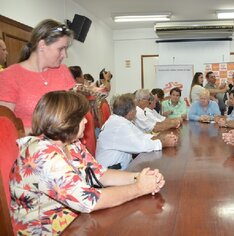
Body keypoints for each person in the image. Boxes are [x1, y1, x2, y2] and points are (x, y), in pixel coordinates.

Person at [10, 91, 165, 235]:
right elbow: (90, 201)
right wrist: (139, 188)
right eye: (80, 118)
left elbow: (99, 173)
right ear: (64, 121)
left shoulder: (70, 142)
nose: (85, 121)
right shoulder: (43, 156)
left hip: (76, 220)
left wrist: (139, 177)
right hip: (50, 231)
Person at [0, 19, 75, 134]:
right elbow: (6, 128)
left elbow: (73, 112)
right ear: (42, 45)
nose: (65, 55)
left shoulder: (63, 71)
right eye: (61, 49)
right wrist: (50, 132)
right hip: (31, 145)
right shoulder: (9, 76)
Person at [96, 93, 178, 169]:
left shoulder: (121, 121)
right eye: (135, 108)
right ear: (130, 112)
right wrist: (164, 143)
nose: (136, 111)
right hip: (111, 172)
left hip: (121, 167)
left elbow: (141, 136)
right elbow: (141, 145)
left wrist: (162, 138)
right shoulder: (119, 125)